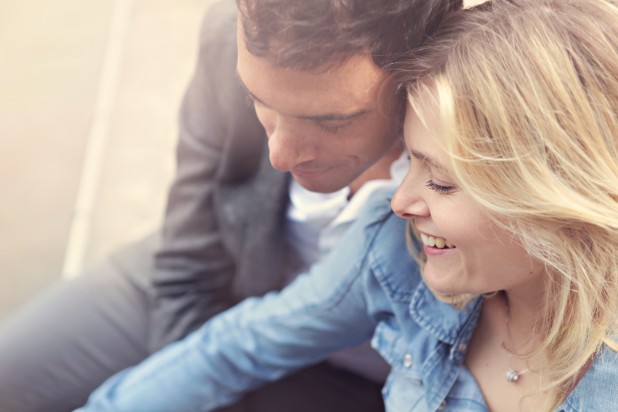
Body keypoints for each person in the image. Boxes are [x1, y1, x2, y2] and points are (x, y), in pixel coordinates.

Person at [75, 0, 618, 410]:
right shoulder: (394, 251)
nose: (400, 199)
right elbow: (232, 346)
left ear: (554, 194)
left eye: (443, 182)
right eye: (413, 161)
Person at [0, 0, 464, 411]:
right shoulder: (228, 38)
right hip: (222, 283)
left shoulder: (482, 139)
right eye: (258, 100)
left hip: (364, 373)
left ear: (419, 70)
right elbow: (188, 264)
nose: (280, 155)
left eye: (330, 122)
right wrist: (188, 384)